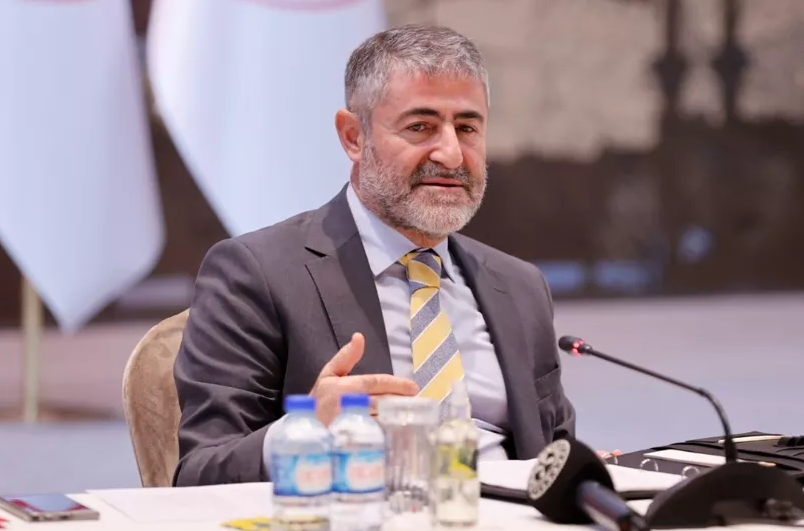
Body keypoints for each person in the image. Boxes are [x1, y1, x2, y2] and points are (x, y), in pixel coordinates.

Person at [172, 24, 578, 487]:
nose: (450, 154)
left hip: (512, 525)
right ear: (353, 136)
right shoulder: (257, 273)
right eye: (420, 127)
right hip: (358, 523)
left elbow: (554, 450)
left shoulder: (520, 286)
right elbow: (199, 473)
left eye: (467, 128)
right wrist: (305, 431)